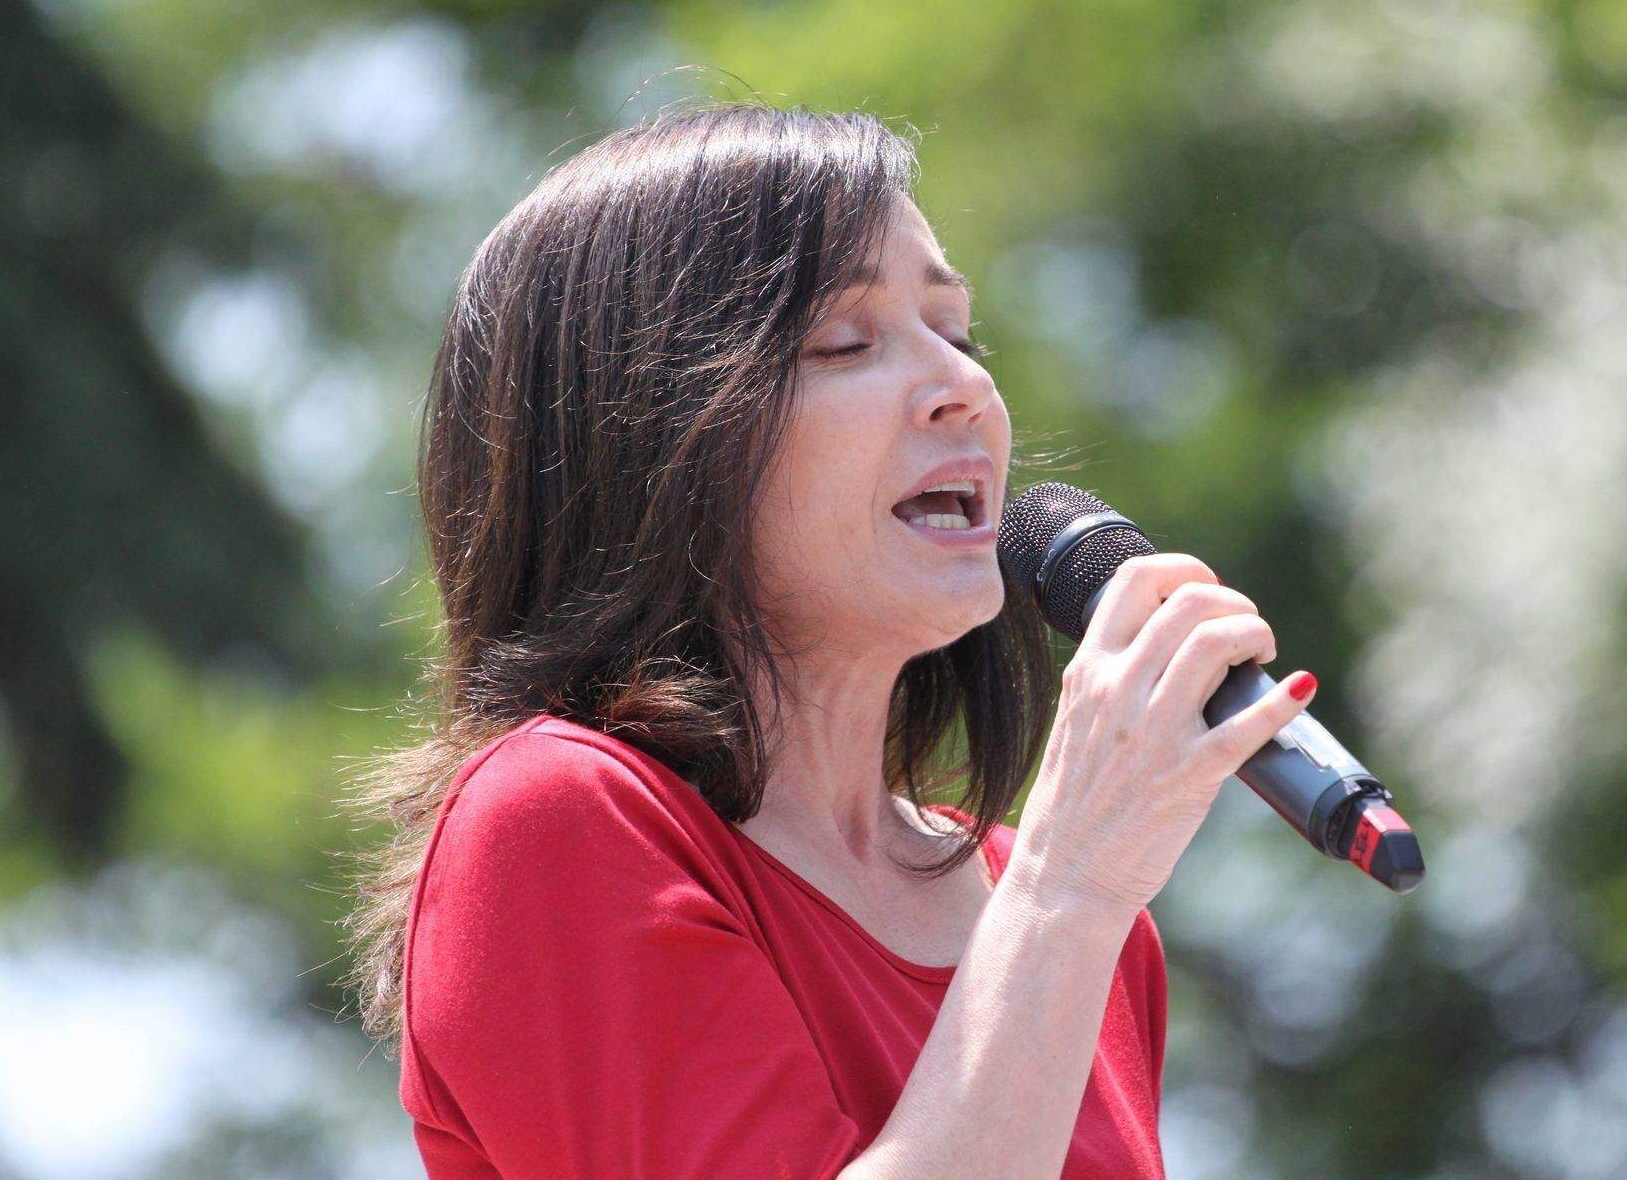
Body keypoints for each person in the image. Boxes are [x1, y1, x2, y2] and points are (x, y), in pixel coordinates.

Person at [338, 100, 1319, 1180]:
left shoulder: (1078, 917)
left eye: (958, 333)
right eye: (845, 343)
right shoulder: (551, 822)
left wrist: (1068, 894)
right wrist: (1070, 887)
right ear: (647, 437)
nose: (965, 387)